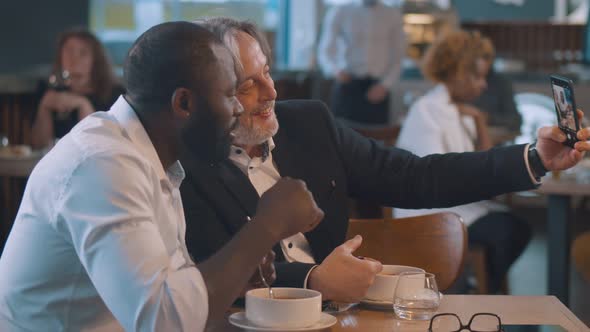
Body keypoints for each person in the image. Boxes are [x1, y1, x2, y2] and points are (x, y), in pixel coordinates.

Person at [180, 17, 590, 304]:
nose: (271, 91)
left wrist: (535, 159)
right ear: (209, 93)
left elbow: (417, 177)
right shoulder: (183, 162)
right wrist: (313, 279)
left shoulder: (308, 123)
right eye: (248, 84)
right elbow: (206, 268)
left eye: (267, 72)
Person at [0, 21, 323, 331]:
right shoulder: (103, 166)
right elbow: (164, 322)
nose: (237, 109)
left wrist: (234, 277)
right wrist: (267, 226)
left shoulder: (153, 157)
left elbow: (166, 291)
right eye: (229, 94)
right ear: (184, 103)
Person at [394, 30, 532, 294]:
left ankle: (480, 287)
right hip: (429, 216)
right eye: (477, 76)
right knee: (511, 231)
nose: (483, 85)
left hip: (459, 209)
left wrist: (479, 121)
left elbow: (484, 162)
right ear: (458, 72)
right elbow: (434, 173)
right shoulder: (428, 110)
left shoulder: (462, 111)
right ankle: (483, 291)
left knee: (515, 229)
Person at [32, 28, 124, 149]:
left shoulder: (115, 94)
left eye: (83, 53)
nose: (74, 60)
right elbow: (39, 146)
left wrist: (83, 105)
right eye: (69, 52)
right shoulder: (50, 89)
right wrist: (44, 107)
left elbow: (98, 147)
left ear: (95, 60)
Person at [317, 0, 406, 125]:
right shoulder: (340, 11)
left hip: (378, 87)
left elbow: (399, 56)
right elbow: (324, 51)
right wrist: (335, 70)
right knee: (341, 137)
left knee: (376, 139)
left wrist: (385, 85)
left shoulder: (392, 14)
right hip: (347, 84)